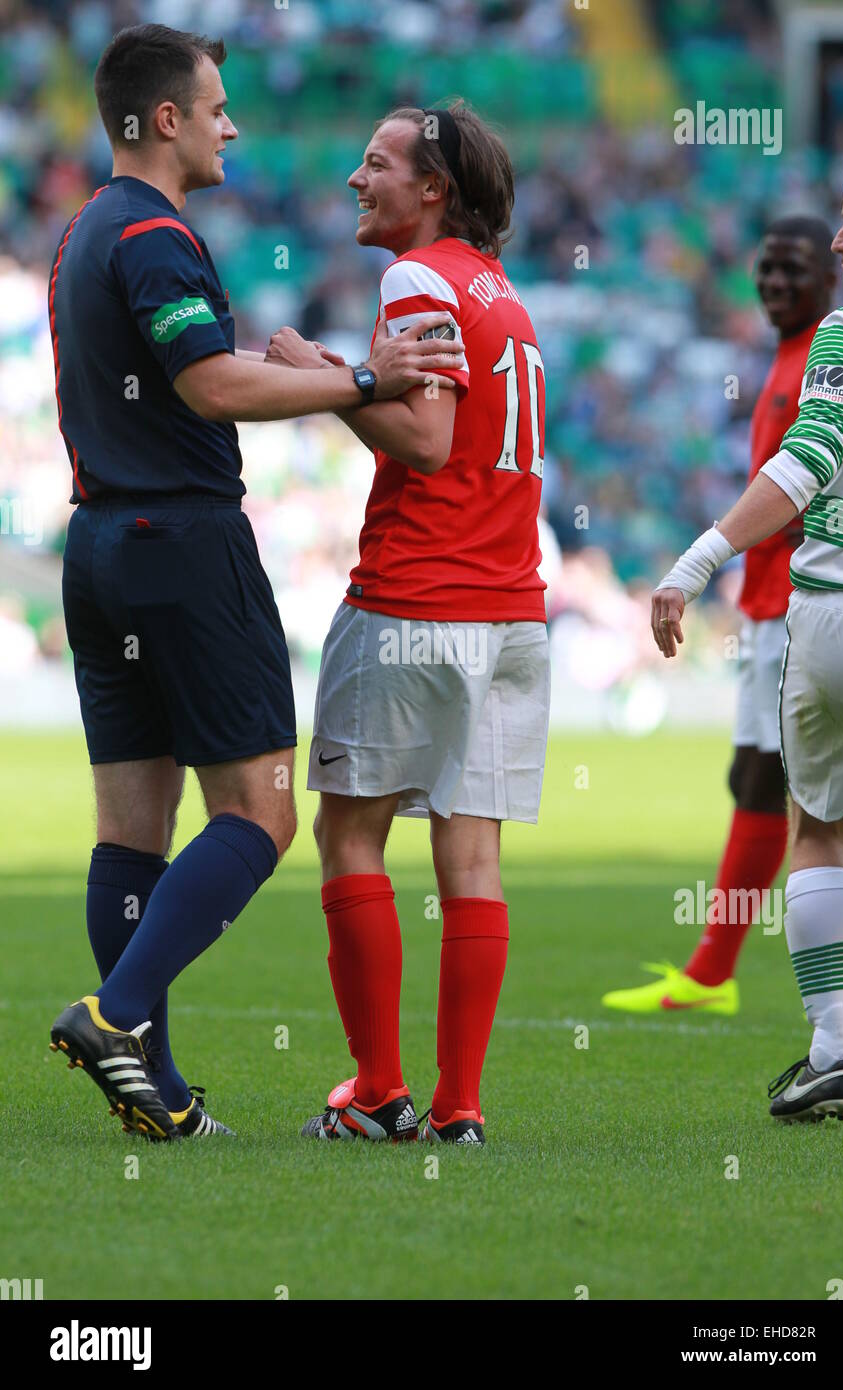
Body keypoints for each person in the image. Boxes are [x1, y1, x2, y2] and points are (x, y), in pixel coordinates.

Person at [47, 24, 460, 1142]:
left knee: (131, 831)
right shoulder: (152, 235)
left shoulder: (82, 231)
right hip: (182, 545)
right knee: (262, 814)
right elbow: (212, 385)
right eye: (218, 107)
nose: (234, 125)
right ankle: (112, 1012)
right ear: (167, 119)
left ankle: (161, 1098)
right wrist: (362, 375)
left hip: (97, 549)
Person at [266, 101, 550, 1145]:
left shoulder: (416, 275)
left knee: (349, 832)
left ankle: (377, 1090)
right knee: (471, 862)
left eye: (377, 163)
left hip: (414, 600)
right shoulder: (505, 298)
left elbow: (424, 440)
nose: (354, 177)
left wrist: (318, 376)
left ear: (433, 192)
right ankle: (458, 1107)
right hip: (511, 614)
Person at [650, 145, 843, 1121]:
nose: (837, 238)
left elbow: (805, 464)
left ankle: (831, 1047)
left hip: (833, 613)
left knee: (816, 831)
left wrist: (697, 558)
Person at [604, 217, 843, 1018]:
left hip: (810, 608)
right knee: (774, 787)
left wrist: (703, 557)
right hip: (777, 609)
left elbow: (806, 473)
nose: (783, 276)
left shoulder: (834, 346)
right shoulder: (791, 356)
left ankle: (767, 992)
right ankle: (727, 971)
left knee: (797, 802)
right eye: (768, 266)